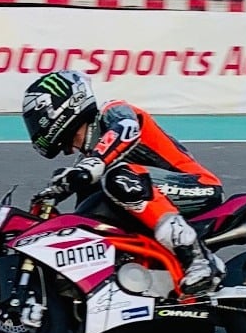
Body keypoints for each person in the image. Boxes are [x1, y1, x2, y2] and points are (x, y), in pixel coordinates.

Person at [21, 69, 226, 295]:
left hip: (196, 186)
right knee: (92, 209)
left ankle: (199, 260)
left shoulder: (113, 111)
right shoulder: (88, 162)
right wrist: (54, 195)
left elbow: (126, 130)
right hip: (152, 198)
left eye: (38, 120)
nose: (36, 127)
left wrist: (92, 165)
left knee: (119, 177)